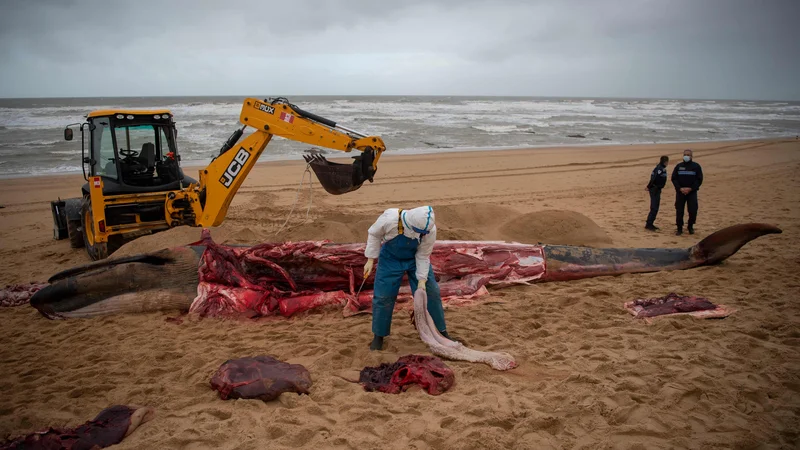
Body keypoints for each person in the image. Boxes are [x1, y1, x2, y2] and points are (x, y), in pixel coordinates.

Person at [363, 206, 454, 351]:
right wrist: (370, 259)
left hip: (415, 259)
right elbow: (374, 234)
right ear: (411, 224)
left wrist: (422, 280)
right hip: (390, 259)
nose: (422, 234)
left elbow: (423, 255)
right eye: (419, 232)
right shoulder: (390, 219)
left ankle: (441, 331)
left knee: (432, 293)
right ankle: (379, 336)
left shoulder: (429, 230)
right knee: (383, 296)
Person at [671, 149, 703, 235]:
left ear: (691, 156)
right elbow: (674, 178)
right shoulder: (679, 166)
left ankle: (690, 226)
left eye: (688, 155)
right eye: (685, 154)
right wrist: (679, 188)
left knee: (693, 210)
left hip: (691, 192)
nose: (686, 156)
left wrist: (691, 188)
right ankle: (679, 228)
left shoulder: (696, 166)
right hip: (680, 192)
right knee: (679, 210)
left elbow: (699, 180)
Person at [644, 155, 669, 231]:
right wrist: (649, 186)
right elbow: (653, 178)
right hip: (655, 189)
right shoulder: (659, 169)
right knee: (654, 207)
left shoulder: (661, 168)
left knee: (655, 207)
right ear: (665, 162)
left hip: (657, 189)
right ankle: (649, 224)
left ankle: (650, 223)